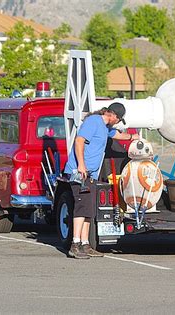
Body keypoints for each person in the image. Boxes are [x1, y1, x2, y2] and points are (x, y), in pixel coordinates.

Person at [64, 102, 139, 259]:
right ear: (111, 115)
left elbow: (117, 135)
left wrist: (132, 137)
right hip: (80, 173)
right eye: (118, 119)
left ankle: (86, 244)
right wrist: (82, 166)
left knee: (88, 210)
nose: (118, 122)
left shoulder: (106, 127)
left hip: (91, 174)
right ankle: (75, 244)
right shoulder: (93, 122)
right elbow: (79, 141)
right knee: (81, 207)